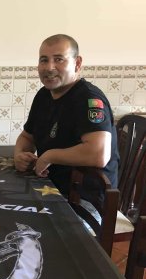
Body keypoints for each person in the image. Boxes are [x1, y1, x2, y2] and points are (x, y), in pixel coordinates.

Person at [14, 34, 119, 197]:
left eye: (59, 59)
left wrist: (50, 156)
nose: (49, 67)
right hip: (48, 186)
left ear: (77, 63)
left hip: (83, 199)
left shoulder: (89, 99)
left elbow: (98, 154)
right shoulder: (43, 95)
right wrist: (19, 155)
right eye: (44, 60)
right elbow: (27, 137)